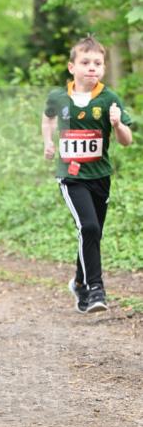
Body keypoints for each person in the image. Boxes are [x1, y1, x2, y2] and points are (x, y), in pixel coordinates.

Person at [42, 34, 133, 314]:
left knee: (93, 233)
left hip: (100, 176)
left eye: (98, 63)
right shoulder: (59, 97)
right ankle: (96, 289)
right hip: (71, 177)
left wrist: (117, 125)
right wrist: (47, 141)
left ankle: (79, 283)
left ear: (103, 68)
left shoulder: (109, 99)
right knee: (89, 228)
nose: (92, 67)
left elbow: (127, 140)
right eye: (85, 62)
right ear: (72, 67)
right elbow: (48, 118)